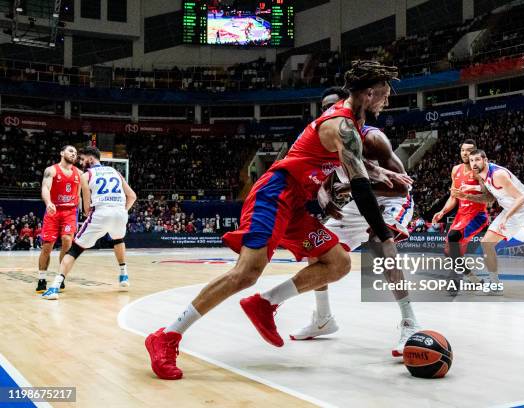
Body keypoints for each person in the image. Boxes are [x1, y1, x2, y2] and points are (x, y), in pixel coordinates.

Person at [145, 60, 411, 380]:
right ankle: (166, 336)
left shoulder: (351, 122)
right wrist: (382, 233)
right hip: (275, 195)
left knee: (337, 261)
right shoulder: (343, 127)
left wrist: (379, 171)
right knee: (246, 273)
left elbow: (348, 168)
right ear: (369, 93)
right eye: (385, 92)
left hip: (296, 204)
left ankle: (265, 304)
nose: (388, 98)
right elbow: (360, 187)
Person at [287, 86, 418, 357]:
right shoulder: (325, 137)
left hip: (390, 200)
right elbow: (328, 175)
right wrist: (325, 192)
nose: (329, 112)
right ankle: (323, 319)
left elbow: (401, 188)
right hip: (360, 200)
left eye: (333, 105)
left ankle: (410, 322)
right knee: (318, 246)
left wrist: (347, 190)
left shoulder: (373, 139)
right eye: (324, 107)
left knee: (379, 246)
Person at [453, 150, 524, 304]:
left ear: (485, 160)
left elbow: (521, 197)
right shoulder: (482, 175)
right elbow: (490, 196)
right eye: (472, 160)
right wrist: (467, 195)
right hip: (511, 211)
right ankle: (495, 285)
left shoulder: (498, 174)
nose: (474, 163)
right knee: (487, 243)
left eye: (477, 160)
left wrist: (506, 217)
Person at [42, 147, 137, 300]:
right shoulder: (116, 172)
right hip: (120, 214)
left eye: (83, 159)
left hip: (100, 213)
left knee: (74, 250)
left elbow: (87, 209)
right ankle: (124, 275)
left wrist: (92, 213)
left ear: (91, 159)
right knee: (118, 239)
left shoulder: (86, 175)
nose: (81, 162)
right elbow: (132, 196)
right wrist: (123, 211)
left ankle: (54, 287)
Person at [432, 139, 489, 287]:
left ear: (475, 153)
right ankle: (473, 278)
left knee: (453, 237)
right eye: (463, 150)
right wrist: (442, 211)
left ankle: (454, 279)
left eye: (469, 150)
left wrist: (469, 196)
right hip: (461, 215)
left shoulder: (480, 170)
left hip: (477, 215)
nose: (465, 153)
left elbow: (488, 197)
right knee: (448, 251)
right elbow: (453, 196)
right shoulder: (455, 170)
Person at [36, 145, 81, 293]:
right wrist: (48, 203)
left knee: (67, 240)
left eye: (75, 152)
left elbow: (80, 194)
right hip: (54, 210)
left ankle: (60, 277)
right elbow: (45, 188)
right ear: (62, 153)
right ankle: (42, 278)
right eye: (70, 151)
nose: (73, 154)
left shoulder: (79, 173)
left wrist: (83, 211)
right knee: (47, 247)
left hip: (70, 211)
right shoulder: (52, 170)